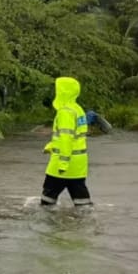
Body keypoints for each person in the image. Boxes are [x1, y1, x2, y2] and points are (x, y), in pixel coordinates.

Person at [40, 77, 92, 208]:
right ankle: (83, 227)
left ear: (62, 92)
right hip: (78, 165)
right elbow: (74, 136)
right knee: (83, 204)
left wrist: (63, 163)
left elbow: (66, 138)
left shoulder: (65, 112)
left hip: (62, 166)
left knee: (46, 204)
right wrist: (51, 146)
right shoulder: (77, 109)